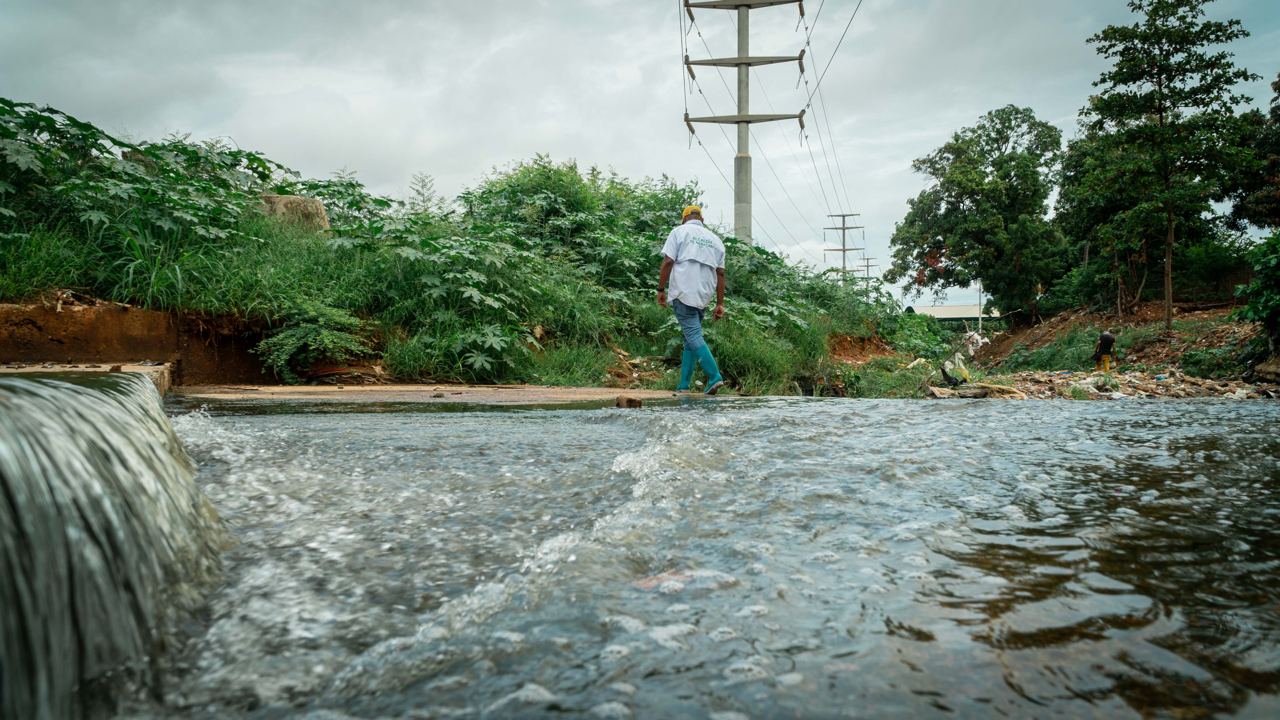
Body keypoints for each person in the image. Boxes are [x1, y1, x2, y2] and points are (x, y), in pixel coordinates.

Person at [657, 205, 726, 394]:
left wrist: (660, 289)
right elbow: (720, 274)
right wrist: (720, 303)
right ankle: (683, 385)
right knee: (690, 338)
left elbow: (668, 261)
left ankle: (714, 377)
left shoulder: (679, 232)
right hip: (704, 295)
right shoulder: (716, 240)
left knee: (693, 335)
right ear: (701, 219)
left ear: (684, 218)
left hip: (683, 292)